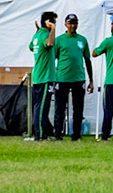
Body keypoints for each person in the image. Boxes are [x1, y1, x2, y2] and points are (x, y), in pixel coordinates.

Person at [51, 14, 93, 140]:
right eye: (70, 23)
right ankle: (58, 134)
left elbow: (87, 60)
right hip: (62, 78)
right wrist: (53, 79)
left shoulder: (82, 40)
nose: (73, 26)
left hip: (78, 78)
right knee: (60, 108)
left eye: (75, 23)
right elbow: (52, 59)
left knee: (78, 109)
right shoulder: (59, 40)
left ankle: (76, 135)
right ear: (65, 24)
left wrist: (91, 80)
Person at [25, 12, 58, 142]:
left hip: (39, 76)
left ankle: (44, 134)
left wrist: (38, 31)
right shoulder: (45, 35)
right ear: (48, 22)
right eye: (53, 22)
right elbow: (50, 43)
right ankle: (38, 134)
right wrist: (53, 29)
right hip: (44, 77)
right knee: (41, 107)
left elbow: (31, 47)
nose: (55, 24)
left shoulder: (37, 35)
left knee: (43, 107)